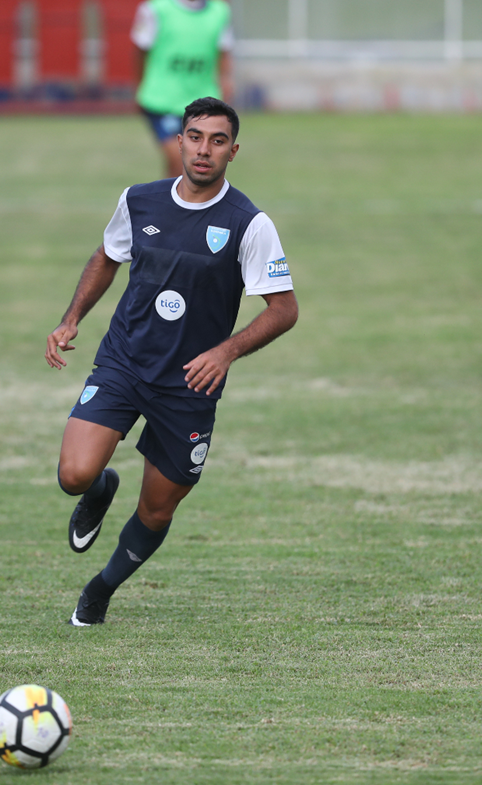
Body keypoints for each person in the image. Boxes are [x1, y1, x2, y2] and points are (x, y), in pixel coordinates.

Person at [45, 97, 298, 626]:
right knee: (73, 473)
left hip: (188, 386)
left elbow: (284, 309)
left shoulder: (249, 224)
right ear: (179, 141)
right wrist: (71, 319)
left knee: (158, 508)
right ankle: (98, 488)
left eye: (217, 140)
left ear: (233, 150)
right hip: (125, 361)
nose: (204, 150)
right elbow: (106, 257)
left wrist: (227, 350)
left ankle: (100, 590)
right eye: (195, 137)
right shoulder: (139, 201)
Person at [132, 0, 235, 178]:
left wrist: (225, 82)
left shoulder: (220, 12)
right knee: (179, 159)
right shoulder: (156, 9)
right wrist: (141, 87)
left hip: (203, 102)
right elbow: (140, 50)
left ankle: (170, 202)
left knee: (195, 167)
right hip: (163, 100)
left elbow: (223, 52)